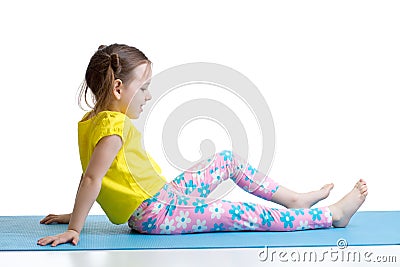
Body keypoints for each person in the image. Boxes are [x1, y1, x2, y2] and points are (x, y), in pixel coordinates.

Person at [37, 44, 368, 247]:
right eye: (145, 88)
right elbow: (93, 180)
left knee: (225, 159)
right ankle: (332, 216)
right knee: (240, 213)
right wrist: (74, 227)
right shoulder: (113, 129)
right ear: (120, 88)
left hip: (164, 199)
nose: (148, 96)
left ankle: (295, 200)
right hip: (155, 215)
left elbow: (98, 179)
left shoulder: (92, 122)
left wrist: (73, 214)